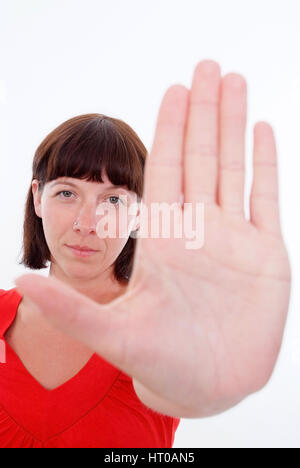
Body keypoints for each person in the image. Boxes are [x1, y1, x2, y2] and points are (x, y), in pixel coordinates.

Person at [0, 59, 291, 448]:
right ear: (37, 197)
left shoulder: (164, 325)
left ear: (139, 212)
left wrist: (210, 384)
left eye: (114, 200)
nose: (88, 222)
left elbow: (174, 388)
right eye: (67, 193)